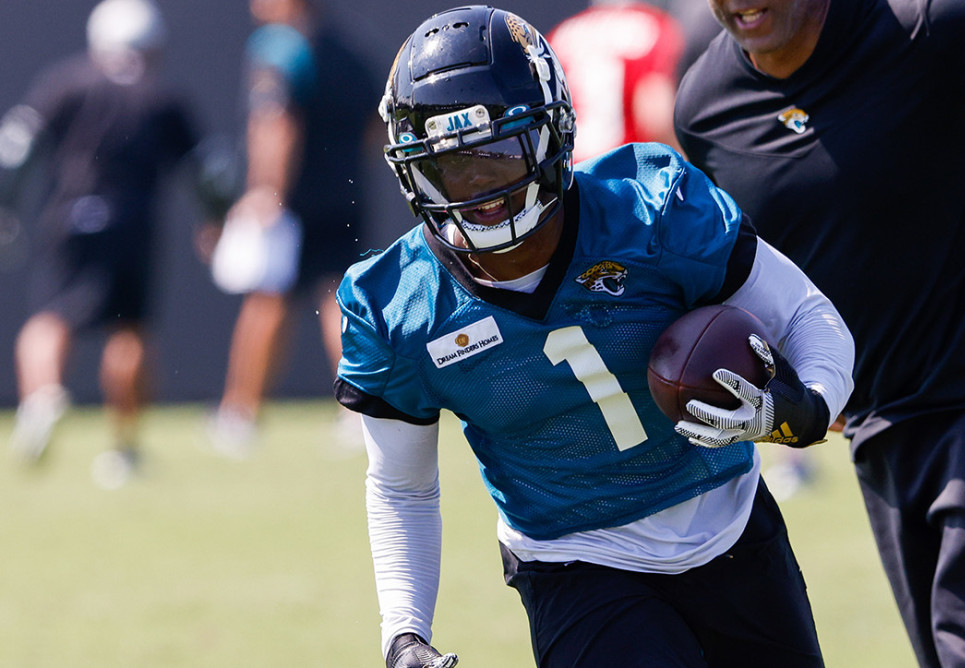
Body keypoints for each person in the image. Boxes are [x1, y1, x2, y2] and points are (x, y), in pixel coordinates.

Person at [336, 6, 855, 667]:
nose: (476, 192)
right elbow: (402, 485)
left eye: (496, 157)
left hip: (730, 531)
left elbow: (809, 317)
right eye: (448, 168)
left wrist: (801, 409)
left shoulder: (652, 209)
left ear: (551, 134)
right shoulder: (399, 306)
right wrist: (403, 631)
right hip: (573, 560)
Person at [675, 1, 965, 667]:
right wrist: (808, 376)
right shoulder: (705, 105)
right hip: (882, 421)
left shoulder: (929, 25)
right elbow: (755, 269)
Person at [1, 0, 218, 488]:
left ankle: (43, 394)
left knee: (50, 317)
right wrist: (215, 220)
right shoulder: (162, 97)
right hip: (133, 225)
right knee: (130, 331)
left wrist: (5, 207)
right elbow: (206, 168)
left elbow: (15, 149)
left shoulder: (66, 83)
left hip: (69, 218)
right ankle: (123, 447)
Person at [205, 0, 380, 457]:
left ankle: (239, 413)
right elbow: (375, 127)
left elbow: (275, 122)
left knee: (268, 300)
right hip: (344, 195)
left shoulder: (278, 46)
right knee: (341, 299)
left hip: (291, 202)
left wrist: (266, 190)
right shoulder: (348, 49)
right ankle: (358, 410)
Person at [548, 0, 686, 162]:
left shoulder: (560, 34)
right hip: (629, 173)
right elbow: (655, 114)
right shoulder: (652, 25)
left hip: (572, 173)